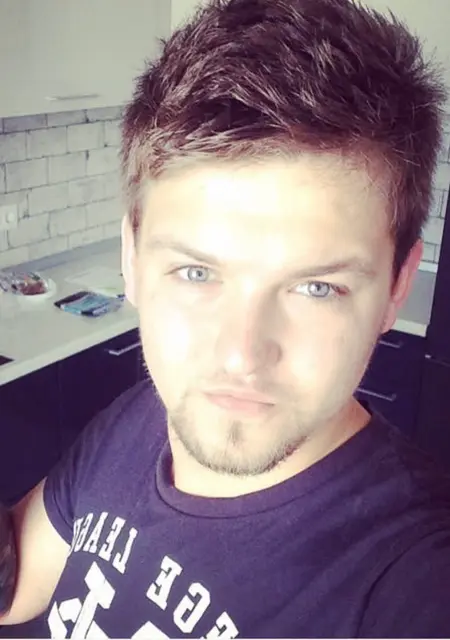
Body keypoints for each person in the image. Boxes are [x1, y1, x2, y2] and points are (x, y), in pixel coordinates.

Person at [1, 0, 450, 636]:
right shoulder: (138, 420)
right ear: (131, 259)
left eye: (317, 287)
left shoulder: (410, 580)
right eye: (195, 273)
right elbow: (18, 584)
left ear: (398, 286)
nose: (240, 355)